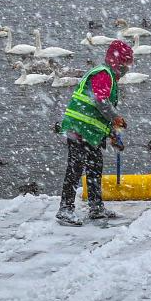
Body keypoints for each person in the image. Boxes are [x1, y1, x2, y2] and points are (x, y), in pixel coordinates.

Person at [56, 38, 132, 225]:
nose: (127, 68)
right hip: (79, 128)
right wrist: (116, 117)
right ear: (118, 62)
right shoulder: (103, 74)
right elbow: (100, 101)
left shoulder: (109, 77)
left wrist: (113, 134)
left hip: (90, 132)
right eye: (125, 63)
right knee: (75, 168)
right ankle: (65, 209)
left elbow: (101, 114)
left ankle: (96, 208)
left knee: (95, 167)